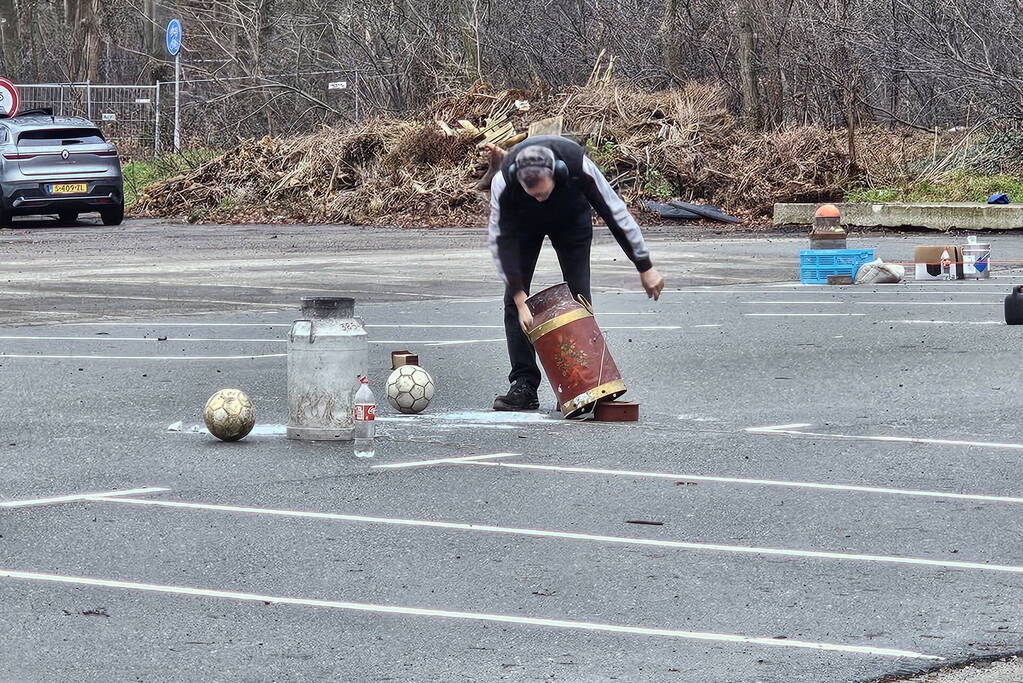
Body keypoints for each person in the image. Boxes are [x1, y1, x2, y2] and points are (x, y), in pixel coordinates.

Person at [487, 135, 664, 411]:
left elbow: (615, 212)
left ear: (556, 173)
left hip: (571, 220)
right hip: (523, 227)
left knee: (578, 297)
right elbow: (500, 241)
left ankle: (582, 381)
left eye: (544, 193)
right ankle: (523, 385)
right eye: (533, 194)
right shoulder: (504, 182)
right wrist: (521, 297)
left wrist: (644, 264)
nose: (540, 199)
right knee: (513, 302)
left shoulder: (577, 164)